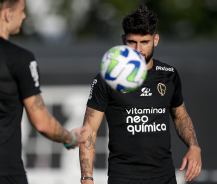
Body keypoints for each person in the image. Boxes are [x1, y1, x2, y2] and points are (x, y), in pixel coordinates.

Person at [0, 0, 86, 183]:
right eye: (21, 11)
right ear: (7, 14)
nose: (24, 16)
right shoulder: (19, 58)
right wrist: (71, 138)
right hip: (3, 173)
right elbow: (42, 123)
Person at [79, 5, 202, 184]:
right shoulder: (107, 78)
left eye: (144, 42)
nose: (138, 49)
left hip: (164, 177)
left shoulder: (169, 75)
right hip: (123, 177)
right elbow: (89, 130)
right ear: (123, 40)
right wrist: (86, 178)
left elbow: (180, 116)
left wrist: (194, 147)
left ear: (155, 40)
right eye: (132, 42)